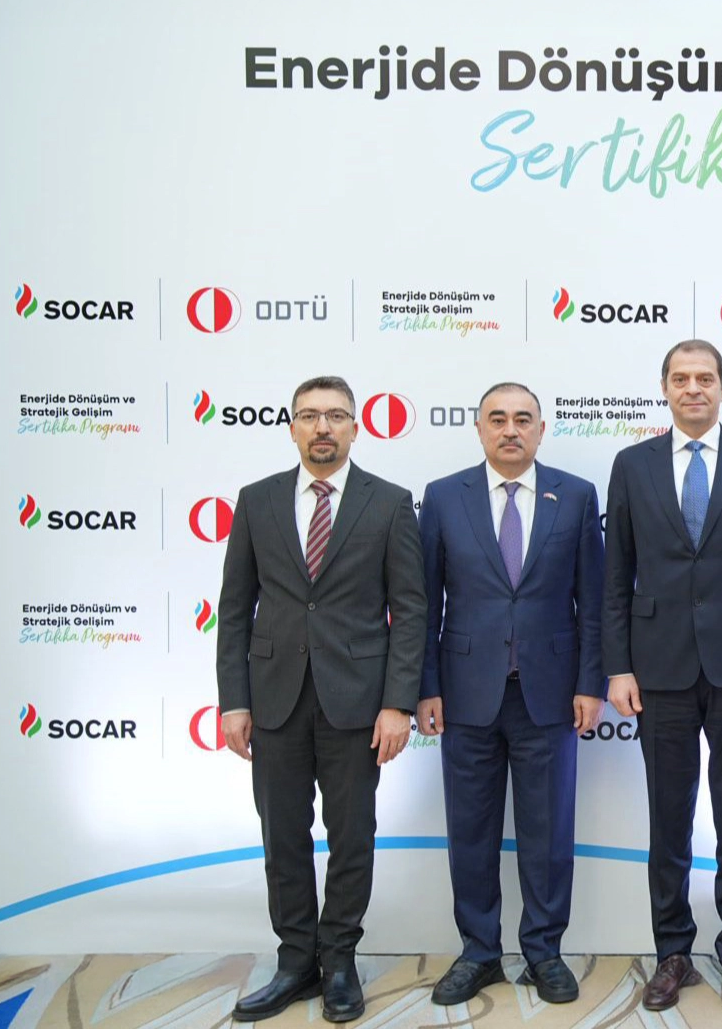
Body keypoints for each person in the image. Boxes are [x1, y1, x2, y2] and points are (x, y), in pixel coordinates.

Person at [216, 375, 426, 1024]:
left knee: (351, 836)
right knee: (282, 836)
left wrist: (398, 703)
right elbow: (234, 608)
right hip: (273, 700)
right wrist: (233, 701)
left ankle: (338, 961)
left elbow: (410, 610)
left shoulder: (389, 502)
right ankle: (294, 963)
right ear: (292, 427)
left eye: (335, 415)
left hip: (357, 703)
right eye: (309, 415)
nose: (323, 427)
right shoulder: (256, 500)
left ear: (356, 427)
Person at [602, 339, 722, 1013]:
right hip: (657, 668)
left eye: (705, 378)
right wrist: (618, 666)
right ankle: (673, 954)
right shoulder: (632, 465)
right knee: (668, 821)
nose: (693, 388)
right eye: (681, 378)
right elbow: (615, 576)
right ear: (665, 388)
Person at [414, 382, 604, 1006]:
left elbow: (593, 602)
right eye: (497, 419)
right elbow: (424, 604)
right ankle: (479, 952)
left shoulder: (576, 496)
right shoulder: (444, 497)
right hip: (466, 695)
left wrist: (590, 683)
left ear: (542, 430)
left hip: (549, 695)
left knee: (548, 835)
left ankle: (544, 951)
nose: (510, 429)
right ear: (479, 429)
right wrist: (426, 687)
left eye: (523, 419)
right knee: (470, 833)